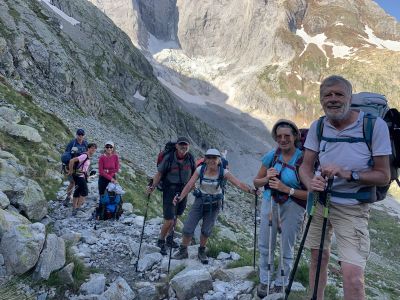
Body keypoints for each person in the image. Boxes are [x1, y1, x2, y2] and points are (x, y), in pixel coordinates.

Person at [299, 75, 391, 300]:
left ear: (350, 97)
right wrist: (310, 182)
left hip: (353, 208)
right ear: (321, 100)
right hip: (320, 203)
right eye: (327, 95)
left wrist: (347, 174)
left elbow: (383, 175)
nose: (332, 99)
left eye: (339, 94)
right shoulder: (318, 126)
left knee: (353, 278)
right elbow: (305, 166)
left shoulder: (372, 125)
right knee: (318, 259)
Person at [172, 148, 257, 264]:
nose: (212, 160)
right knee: (187, 228)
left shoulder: (223, 172)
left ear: (219, 160)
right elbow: (189, 184)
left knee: (206, 231)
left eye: (215, 158)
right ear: (205, 159)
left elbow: (238, 183)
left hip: (214, 204)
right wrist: (180, 197)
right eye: (209, 158)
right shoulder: (200, 170)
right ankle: (183, 250)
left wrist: (251, 191)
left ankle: (201, 251)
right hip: (200, 201)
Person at [253, 119, 308, 297]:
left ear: (295, 137)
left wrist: (287, 189)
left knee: (286, 245)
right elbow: (256, 182)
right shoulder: (272, 155)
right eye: (279, 137)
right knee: (265, 243)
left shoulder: (303, 159)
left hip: (293, 206)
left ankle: (280, 282)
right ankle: (264, 280)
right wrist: (267, 178)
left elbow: (312, 194)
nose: (283, 140)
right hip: (270, 201)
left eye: (287, 136)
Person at [147, 137, 196, 255]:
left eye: (186, 146)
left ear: (188, 146)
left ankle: (170, 238)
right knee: (169, 219)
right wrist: (152, 187)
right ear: (176, 146)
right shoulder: (169, 158)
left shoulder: (190, 158)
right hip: (170, 190)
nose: (183, 148)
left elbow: (194, 174)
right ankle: (161, 240)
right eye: (181, 145)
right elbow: (159, 174)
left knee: (176, 216)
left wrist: (193, 186)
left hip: (184, 191)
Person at [68, 143, 98, 216]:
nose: (93, 150)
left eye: (94, 148)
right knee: (85, 191)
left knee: (78, 190)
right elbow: (72, 161)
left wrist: (87, 174)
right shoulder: (84, 155)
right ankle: (78, 208)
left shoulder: (88, 156)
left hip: (81, 175)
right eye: (92, 148)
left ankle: (74, 208)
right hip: (79, 176)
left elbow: (84, 167)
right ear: (88, 148)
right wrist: (71, 171)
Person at [63, 129, 88, 206]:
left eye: (82, 135)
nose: (80, 137)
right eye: (79, 135)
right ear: (76, 135)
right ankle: (68, 197)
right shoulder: (72, 143)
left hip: (81, 167)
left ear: (84, 135)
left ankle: (77, 201)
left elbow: (87, 154)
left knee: (80, 183)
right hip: (71, 166)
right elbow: (66, 154)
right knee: (72, 182)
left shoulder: (85, 143)